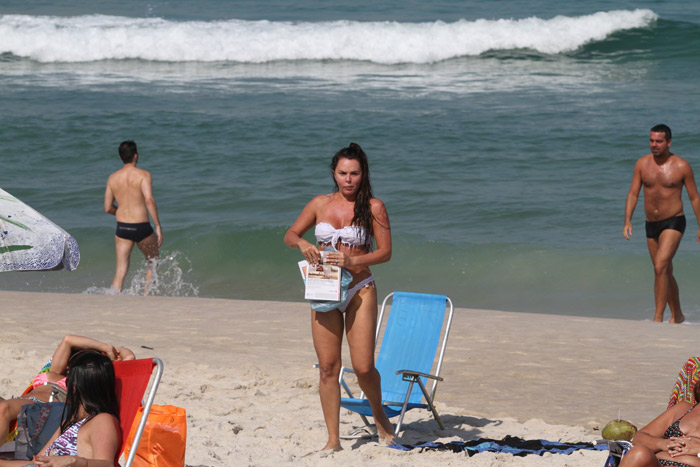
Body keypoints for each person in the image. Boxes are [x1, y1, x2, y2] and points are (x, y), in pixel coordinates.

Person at [283, 143, 395, 450]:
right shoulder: (320, 203)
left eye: (354, 173)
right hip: (324, 289)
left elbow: (385, 252)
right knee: (329, 367)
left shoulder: (373, 207)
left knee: (362, 367)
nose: (348, 179)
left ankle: (379, 415)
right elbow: (289, 235)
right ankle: (333, 441)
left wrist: (353, 261)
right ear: (334, 173)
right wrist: (303, 245)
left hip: (360, 289)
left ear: (363, 174)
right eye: (343, 173)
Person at [623, 124, 700, 323]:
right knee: (664, 270)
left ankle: (658, 318)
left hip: (674, 221)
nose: (654, 144)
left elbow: (694, 198)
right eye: (651, 140)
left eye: (659, 141)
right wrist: (627, 220)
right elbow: (633, 193)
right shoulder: (642, 164)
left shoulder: (682, 166)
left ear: (669, 142)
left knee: (660, 267)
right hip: (651, 224)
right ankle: (678, 315)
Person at [0, 335, 134, 444]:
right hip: (21, 401)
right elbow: (68, 340)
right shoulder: (55, 371)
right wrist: (107, 347)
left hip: (43, 408)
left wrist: (118, 352)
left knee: (4, 407)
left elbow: (129, 359)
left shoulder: (88, 379)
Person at [0, 350, 121, 467]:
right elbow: (38, 461)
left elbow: (107, 464)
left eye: (69, 380)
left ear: (74, 386)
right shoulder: (71, 420)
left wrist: (72, 461)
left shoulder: (102, 421)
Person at [104, 140, 163, 295]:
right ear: (136, 156)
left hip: (122, 227)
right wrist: (157, 225)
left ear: (120, 157)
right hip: (142, 227)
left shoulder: (112, 178)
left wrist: (120, 211)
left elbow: (107, 207)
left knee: (121, 269)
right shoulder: (144, 175)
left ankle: (113, 299)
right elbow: (149, 200)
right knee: (153, 262)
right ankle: (147, 296)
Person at [619, 382, 700, 467]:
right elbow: (639, 438)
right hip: (657, 463)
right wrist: (663, 444)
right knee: (639, 453)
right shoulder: (683, 409)